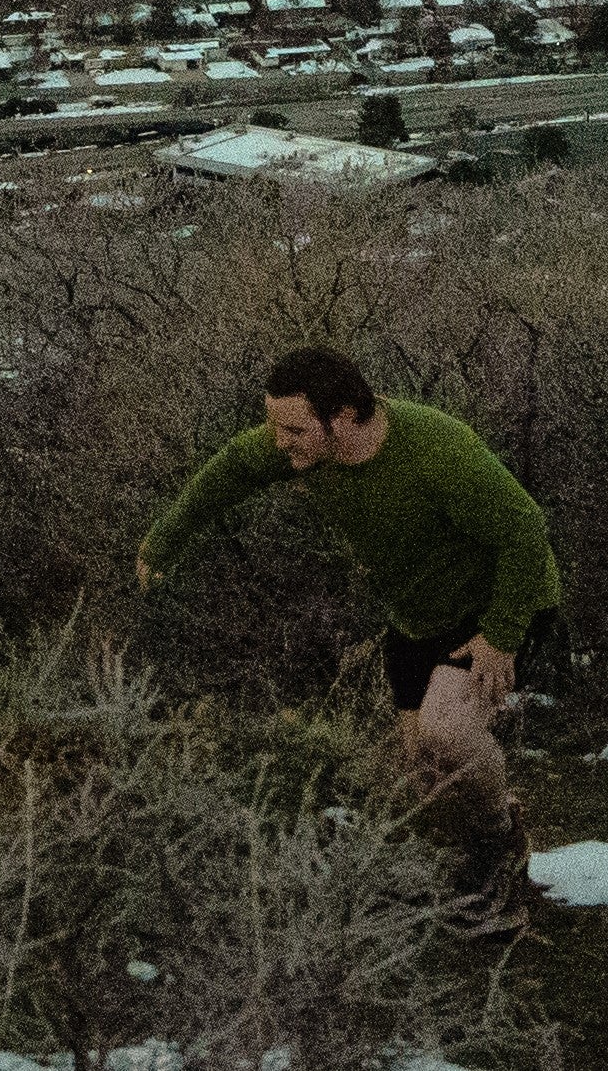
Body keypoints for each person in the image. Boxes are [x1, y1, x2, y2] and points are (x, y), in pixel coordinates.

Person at [136, 346, 562, 917]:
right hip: (415, 616)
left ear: (341, 417)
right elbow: (231, 470)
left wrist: (502, 635)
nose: (278, 442)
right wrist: (163, 541)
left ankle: (501, 854)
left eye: (292, 429)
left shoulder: (436, 450)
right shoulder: (304, 447)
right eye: (274, 426)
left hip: (500, 601)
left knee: (448, 733)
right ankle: (470, 860)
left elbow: (525, 531)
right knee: (425, 772)